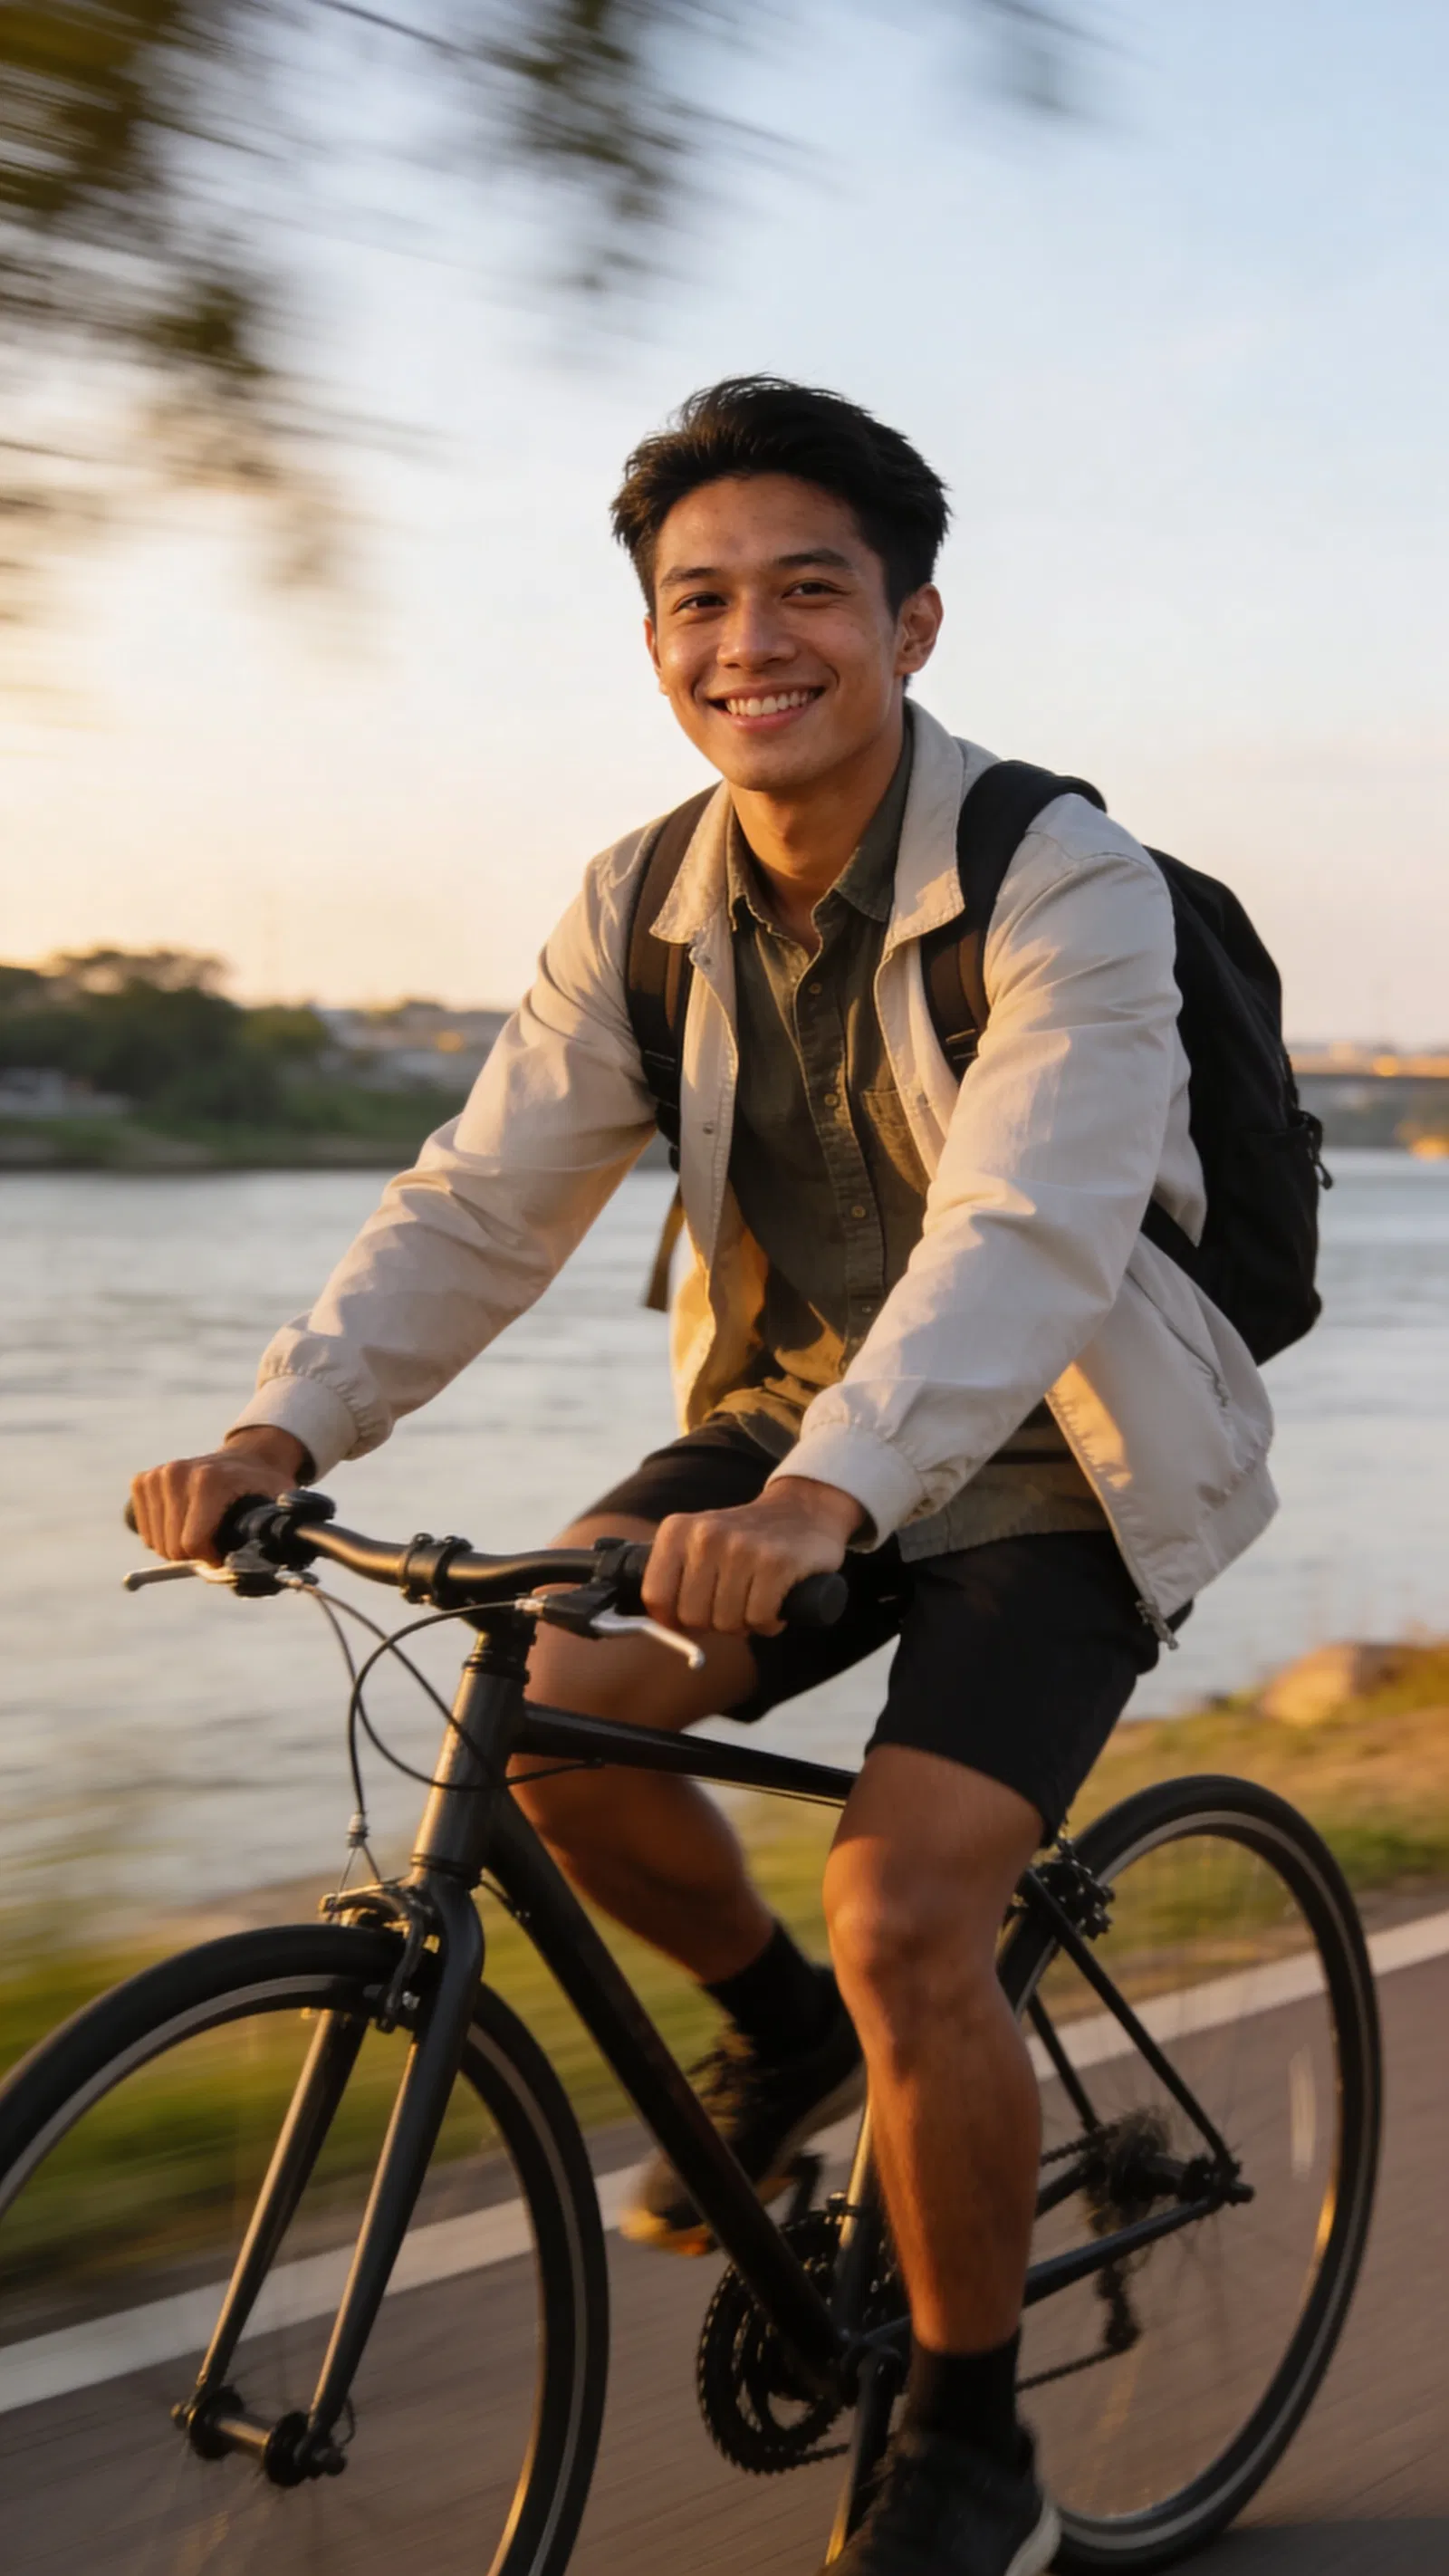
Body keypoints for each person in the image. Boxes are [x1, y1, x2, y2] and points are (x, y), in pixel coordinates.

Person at [131, 376, 1276, 2576]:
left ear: (909, 625)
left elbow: (1025, 1229)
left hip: (1058, 1445)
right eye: (698, 600)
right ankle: (778, 2036)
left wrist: (827, 1504)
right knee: (546, 1718)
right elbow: (484, 1198)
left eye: (806, 591)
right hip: (779, 1431)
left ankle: (965, 2444)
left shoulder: (1064, 879)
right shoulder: (642, 897)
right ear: (656, 637)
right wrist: (285, 1427)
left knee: (907, 1908)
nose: (749, 640)